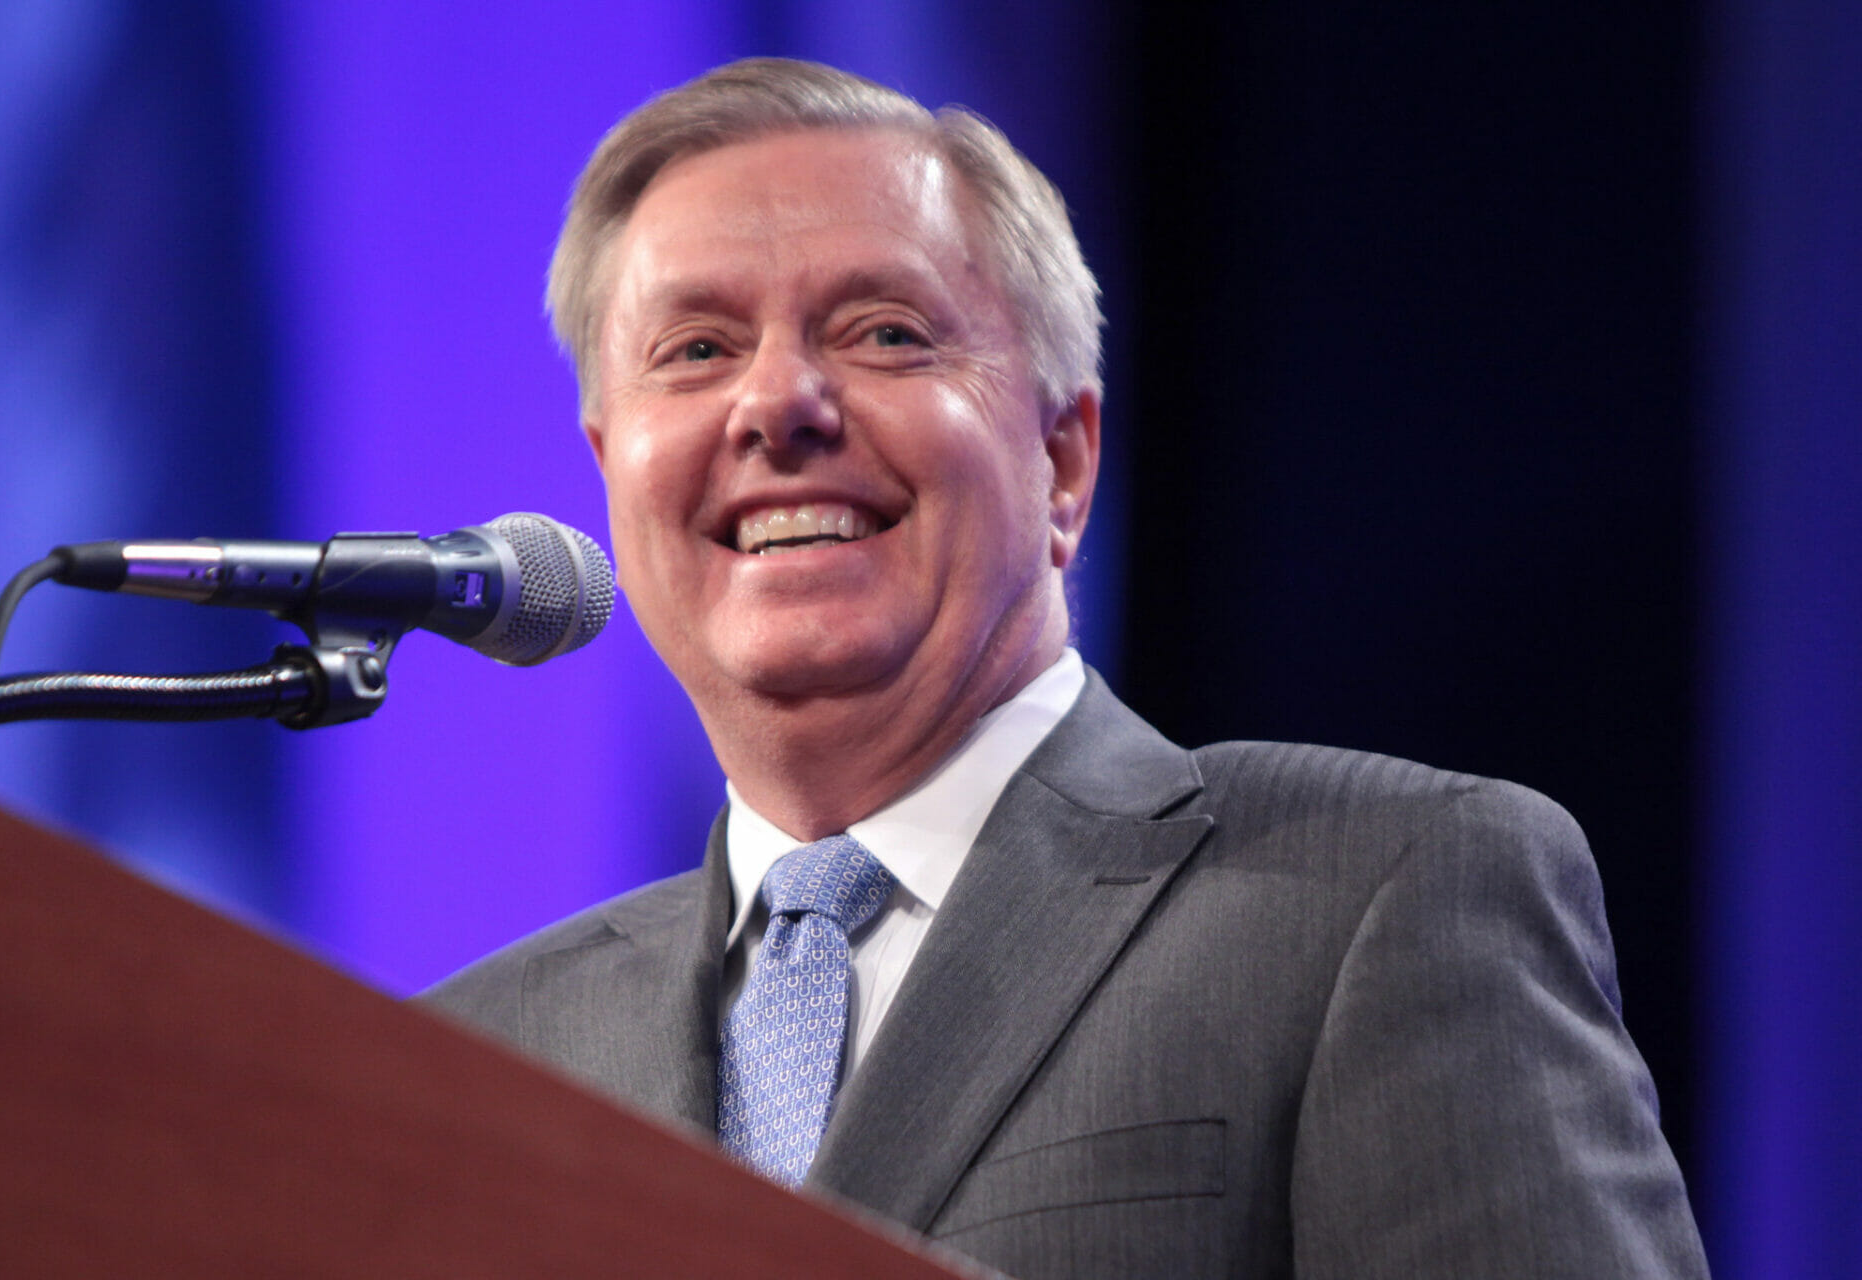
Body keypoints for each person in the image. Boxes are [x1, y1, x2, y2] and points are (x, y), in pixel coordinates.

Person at [423, 57, 1709, 1278]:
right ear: (610, 468)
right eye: (697, 350)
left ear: (1064, 462)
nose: (777, 402)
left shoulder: (1377, 891)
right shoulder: (472, 1058)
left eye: (884, 333)